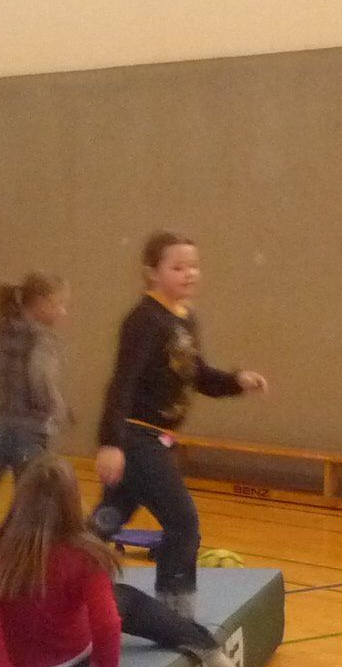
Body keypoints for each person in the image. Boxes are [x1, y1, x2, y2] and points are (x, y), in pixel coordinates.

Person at [0, 456, 240, 667]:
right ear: (72, 502)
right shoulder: (85, 554)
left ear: (19, 501)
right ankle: (205, 646)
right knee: (126, 599)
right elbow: (107, 623)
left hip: (20, 664)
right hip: (74, 658)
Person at [91, 232, 266, 618]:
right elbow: (122, 382)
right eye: (178, 267)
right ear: (152, 273)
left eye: (194, 266)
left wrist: (236, 381)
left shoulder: (185, 318)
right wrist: (111, 443)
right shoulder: (144, 320)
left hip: (157, 439)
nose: (189, 274)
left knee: (107, 521)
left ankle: (53, 581)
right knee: (183, 524)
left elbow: (198, 375)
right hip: (138, 438)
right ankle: (176, 613)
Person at [0, 272, 69, 542]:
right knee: (32, 505)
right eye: (59, 304)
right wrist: (57, 411)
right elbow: (40, 381)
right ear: (41, 303)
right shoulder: (42, 338)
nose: (63, 312)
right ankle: (23, 554)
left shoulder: (0, 332)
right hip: (30, 432)